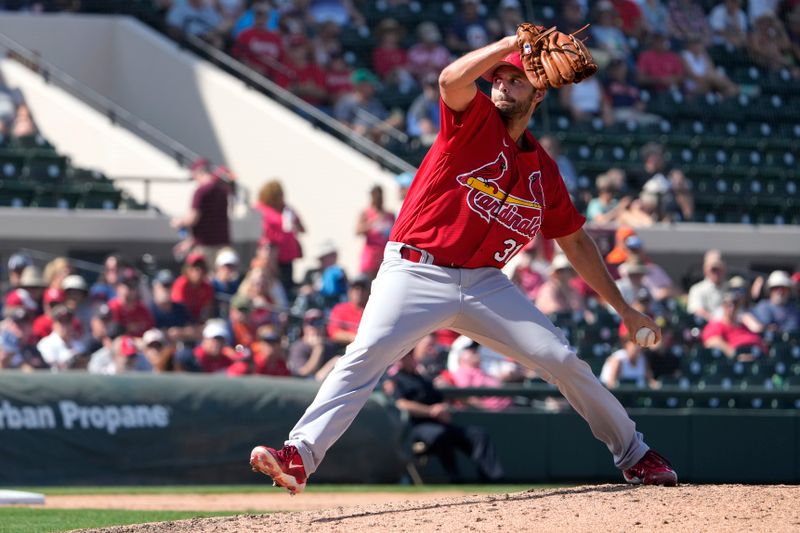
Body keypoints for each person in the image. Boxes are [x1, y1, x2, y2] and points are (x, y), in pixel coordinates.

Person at [249, 33, 677, 494]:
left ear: (539, 93)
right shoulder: (472, 121)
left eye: (516, 79)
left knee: (562, 359)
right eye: (499, 79)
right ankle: (299, 455)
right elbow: (451, 78)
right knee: (365, 355)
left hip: (485, 284)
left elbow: (575, 242)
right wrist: (512, 41)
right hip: (416, 269)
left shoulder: (544, 172)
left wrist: (623, 309)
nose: (502, 86)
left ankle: (636, 455)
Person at [383, 350, 504, 482]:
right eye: (405, 356)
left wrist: (444, 408)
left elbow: (442, 399)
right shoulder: (395, 379)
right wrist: (430, 411)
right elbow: (401, 404)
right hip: (416, 427)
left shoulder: (423, 379)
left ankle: (492, 477)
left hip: (440, 422)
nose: (408, 359)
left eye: (409, 355)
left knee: (478, 434)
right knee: (440, 434)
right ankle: (454, 478)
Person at [172, 159, 231, 262]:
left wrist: (179, 222)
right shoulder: (222, 190)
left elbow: (193, 218)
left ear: (199, 172)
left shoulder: (201, 191)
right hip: (222, 243)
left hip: (205, 245)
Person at [255, 180, 305, 292]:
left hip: (287, 257)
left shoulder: (285, 210)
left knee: (287, 287)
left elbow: (302, 228)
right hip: (272, 257)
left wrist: (292, 214)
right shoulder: (261, 210)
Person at [701, 291, 766, 358]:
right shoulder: (716, 325)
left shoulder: (745, 325)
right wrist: (734, 354)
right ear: (722, 306)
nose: (732, 307)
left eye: (735, 303)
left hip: (758, 356)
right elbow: (711, 341)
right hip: (737, 361)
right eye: (728, 304)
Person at [356, 185, 396, 279]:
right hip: (370, 256)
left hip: (384, 255)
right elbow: (357, 231)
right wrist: (372, 223)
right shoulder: (366, 213)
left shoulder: (390, 214)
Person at [287, 308, 338, 378]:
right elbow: (303, 373)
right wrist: (318, 349)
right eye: (312, 323)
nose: (317, 328)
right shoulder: (298, 347)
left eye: (320, 322)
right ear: (304, 327)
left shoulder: (329, 346)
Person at [326, 274, 370, 348]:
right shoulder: (340, 309)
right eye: (355, 288)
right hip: (346, 349)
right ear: (349, 291)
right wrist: (353, 337)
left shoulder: (372, 309)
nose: (359, 292)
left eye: (362, 289)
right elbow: (334, 332)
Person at [687, 250, 728, 321]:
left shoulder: (730, 287)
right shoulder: (697, 289)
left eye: (719, 269)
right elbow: (697, 310)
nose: (716, 273)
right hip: (708, 327)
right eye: (713, 269)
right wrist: (717, 321)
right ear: (705, 270)